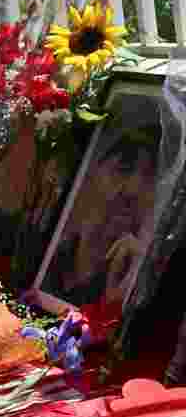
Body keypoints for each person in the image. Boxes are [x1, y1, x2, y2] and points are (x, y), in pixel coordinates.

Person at [45, 122, 160, 308]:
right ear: (90, 172)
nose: (133, 190)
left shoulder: (140, 286)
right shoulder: (47, 257)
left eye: (150, 177)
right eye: (124, 167)